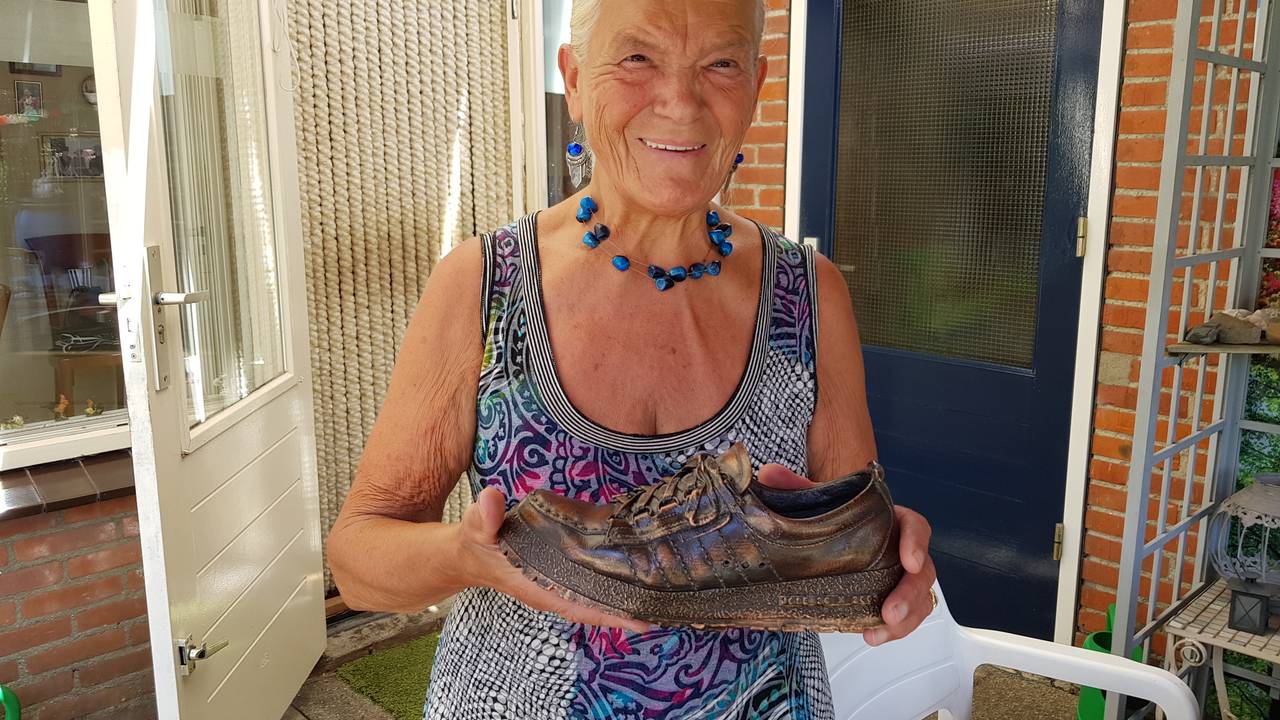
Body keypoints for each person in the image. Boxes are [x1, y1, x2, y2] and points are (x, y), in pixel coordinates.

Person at [326, 0, 938, 717]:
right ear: (576, 79)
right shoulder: (484, 285)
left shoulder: (808, 295)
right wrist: (465, 557)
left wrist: (894, 573)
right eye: (639, 58)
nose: (680, 102)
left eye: (720, 63)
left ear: (757, 84)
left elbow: (847, 539)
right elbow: (358, 560)